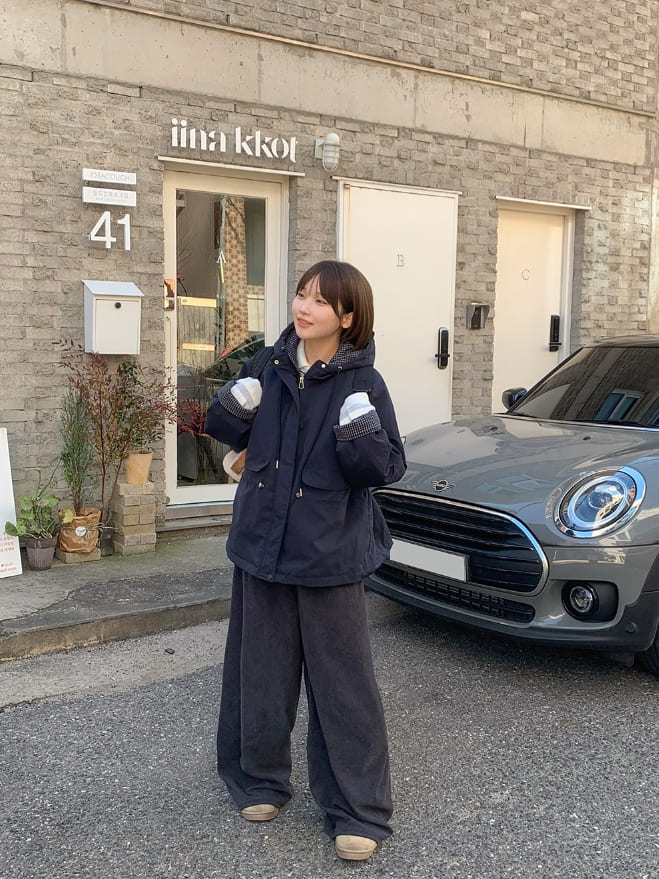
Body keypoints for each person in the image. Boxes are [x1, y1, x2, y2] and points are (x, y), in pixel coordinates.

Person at [204, 259, 406, 862]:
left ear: (347, 316)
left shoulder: (363, 383)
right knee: (258, 673)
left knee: (342, 686)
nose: (303, 307)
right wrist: (235, 406)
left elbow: (384, 468)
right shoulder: (266, 365)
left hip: (329, 553)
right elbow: (222, 431)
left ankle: (357, 809)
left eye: (319, 301)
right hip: (261, 544)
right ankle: (258, 780)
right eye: (300, 294)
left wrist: (360, 431)